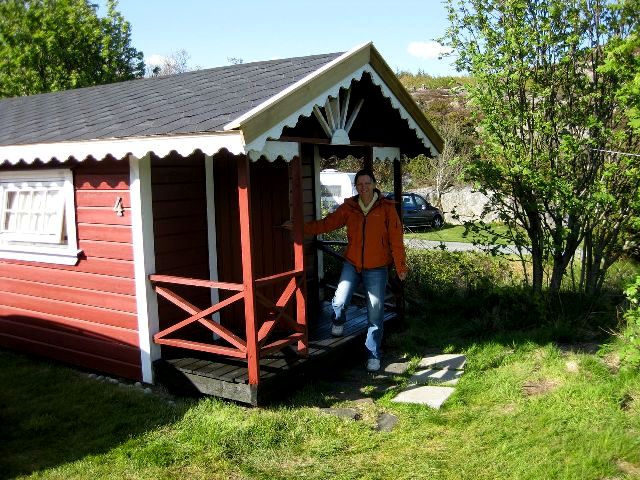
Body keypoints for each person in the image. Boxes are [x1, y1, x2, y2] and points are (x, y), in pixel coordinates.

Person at [285, 169, 407, 372]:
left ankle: (374, 354)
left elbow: (396, 239)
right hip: (352, 263)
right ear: (356, 186)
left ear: (375, 184)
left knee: (375, 313)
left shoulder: (386, 208)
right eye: (359, 184)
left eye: (367, 183)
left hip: (377, 268)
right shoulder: (350, 207)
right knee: (340, 300)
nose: (363, 187)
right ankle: (338, 320)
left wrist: (400, 266)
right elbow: (326, 224)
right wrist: (300, 227)